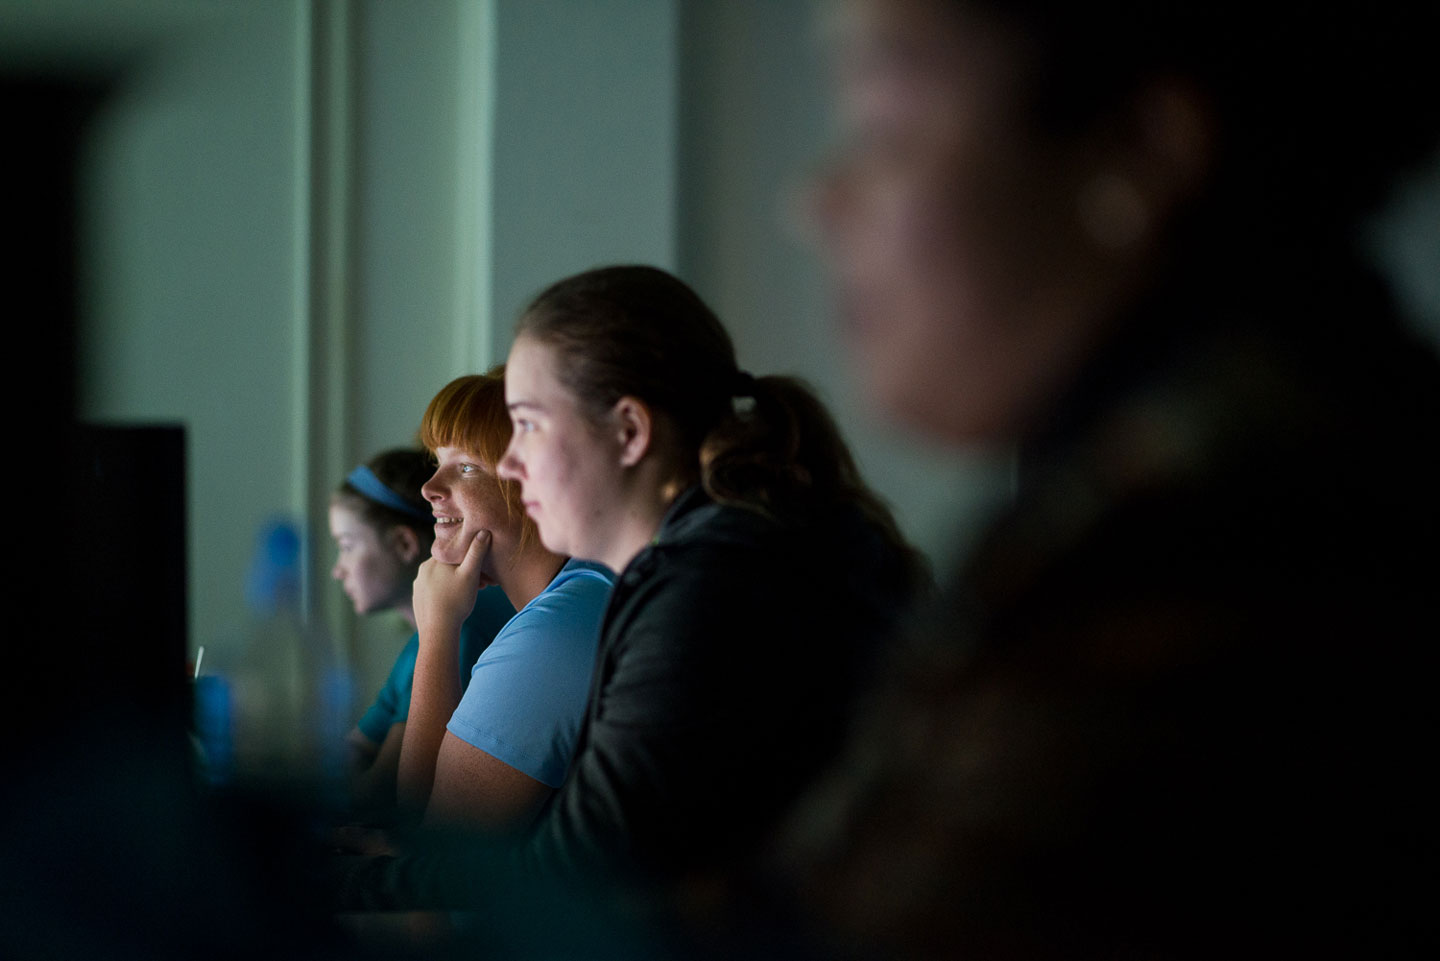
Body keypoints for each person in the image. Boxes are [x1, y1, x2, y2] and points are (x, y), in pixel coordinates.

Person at [772, 0, 1440, 957]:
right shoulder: (1224, 478)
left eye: (883, 125)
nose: (814, 201)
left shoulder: (1235, 565)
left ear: (1137, 148)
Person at [334, 266, 923, 945]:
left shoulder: (707, 584)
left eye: (525, 425)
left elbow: (577, 865)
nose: (512, 463)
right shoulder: (715, 555)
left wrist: (326, 884)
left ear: (629, 432)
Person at [398, 368, 615, 831]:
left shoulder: (556, 632)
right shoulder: (587, 591)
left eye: (467, 467)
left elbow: (431, 845)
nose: (429, 488)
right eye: (435, 462)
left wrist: (436, 632)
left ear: (531, 481)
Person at [330, 448, 514, 823]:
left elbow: (388, 794)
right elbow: (350, 755)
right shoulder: (417, 646)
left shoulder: (462, 629)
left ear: (403, 544)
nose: (338, 570)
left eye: (347, 547)